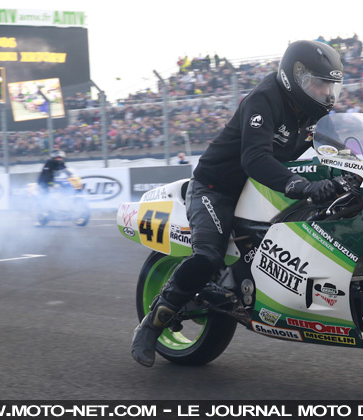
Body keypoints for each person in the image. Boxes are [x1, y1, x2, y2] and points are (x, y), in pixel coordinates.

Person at [131, 40, 344, 368]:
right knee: (207, 257)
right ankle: (151, 325)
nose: (325, 93)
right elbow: (255, 158)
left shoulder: (311, 113)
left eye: (330, 86)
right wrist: (303, 185)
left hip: (258, 191)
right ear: (295, 78)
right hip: (216, 188)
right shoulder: (265, 98)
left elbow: (331, 150)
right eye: (319, 84)